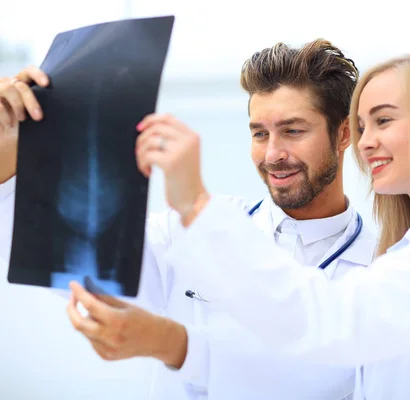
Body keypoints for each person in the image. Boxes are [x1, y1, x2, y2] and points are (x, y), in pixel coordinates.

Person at [75, 52, 410, 399]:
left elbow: (328, 322)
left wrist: (196, 203)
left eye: (383, 121)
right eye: (362, 124)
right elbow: (76, 248)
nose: (365, 141)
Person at [0, 39, 377, 399]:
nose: (273, 153)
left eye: (293, 131)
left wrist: (172, 342)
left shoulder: (380, 268)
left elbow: (306, 378)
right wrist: (8, 152)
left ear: (344, 133)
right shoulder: (190, 230)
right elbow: (50, 248)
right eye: (260, 134)